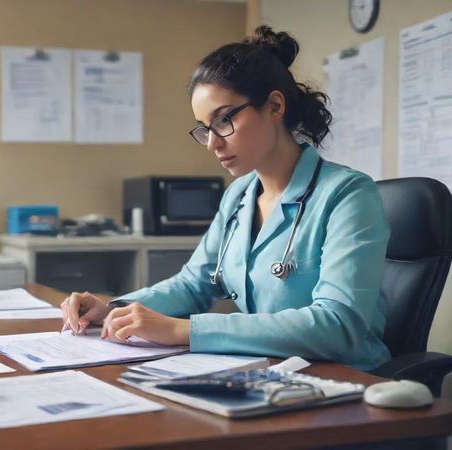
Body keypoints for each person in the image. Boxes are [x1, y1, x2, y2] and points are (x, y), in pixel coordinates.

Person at [60, 25, 391, 371]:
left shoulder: (348, 196)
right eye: (205, 127)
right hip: (271, 374)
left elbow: (338, 326)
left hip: (347, 382)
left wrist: (183, 330)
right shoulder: (239, 195)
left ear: (275, 106)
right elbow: (193, 285)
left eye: (224, 120)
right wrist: (114, 310)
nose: (212, 142)